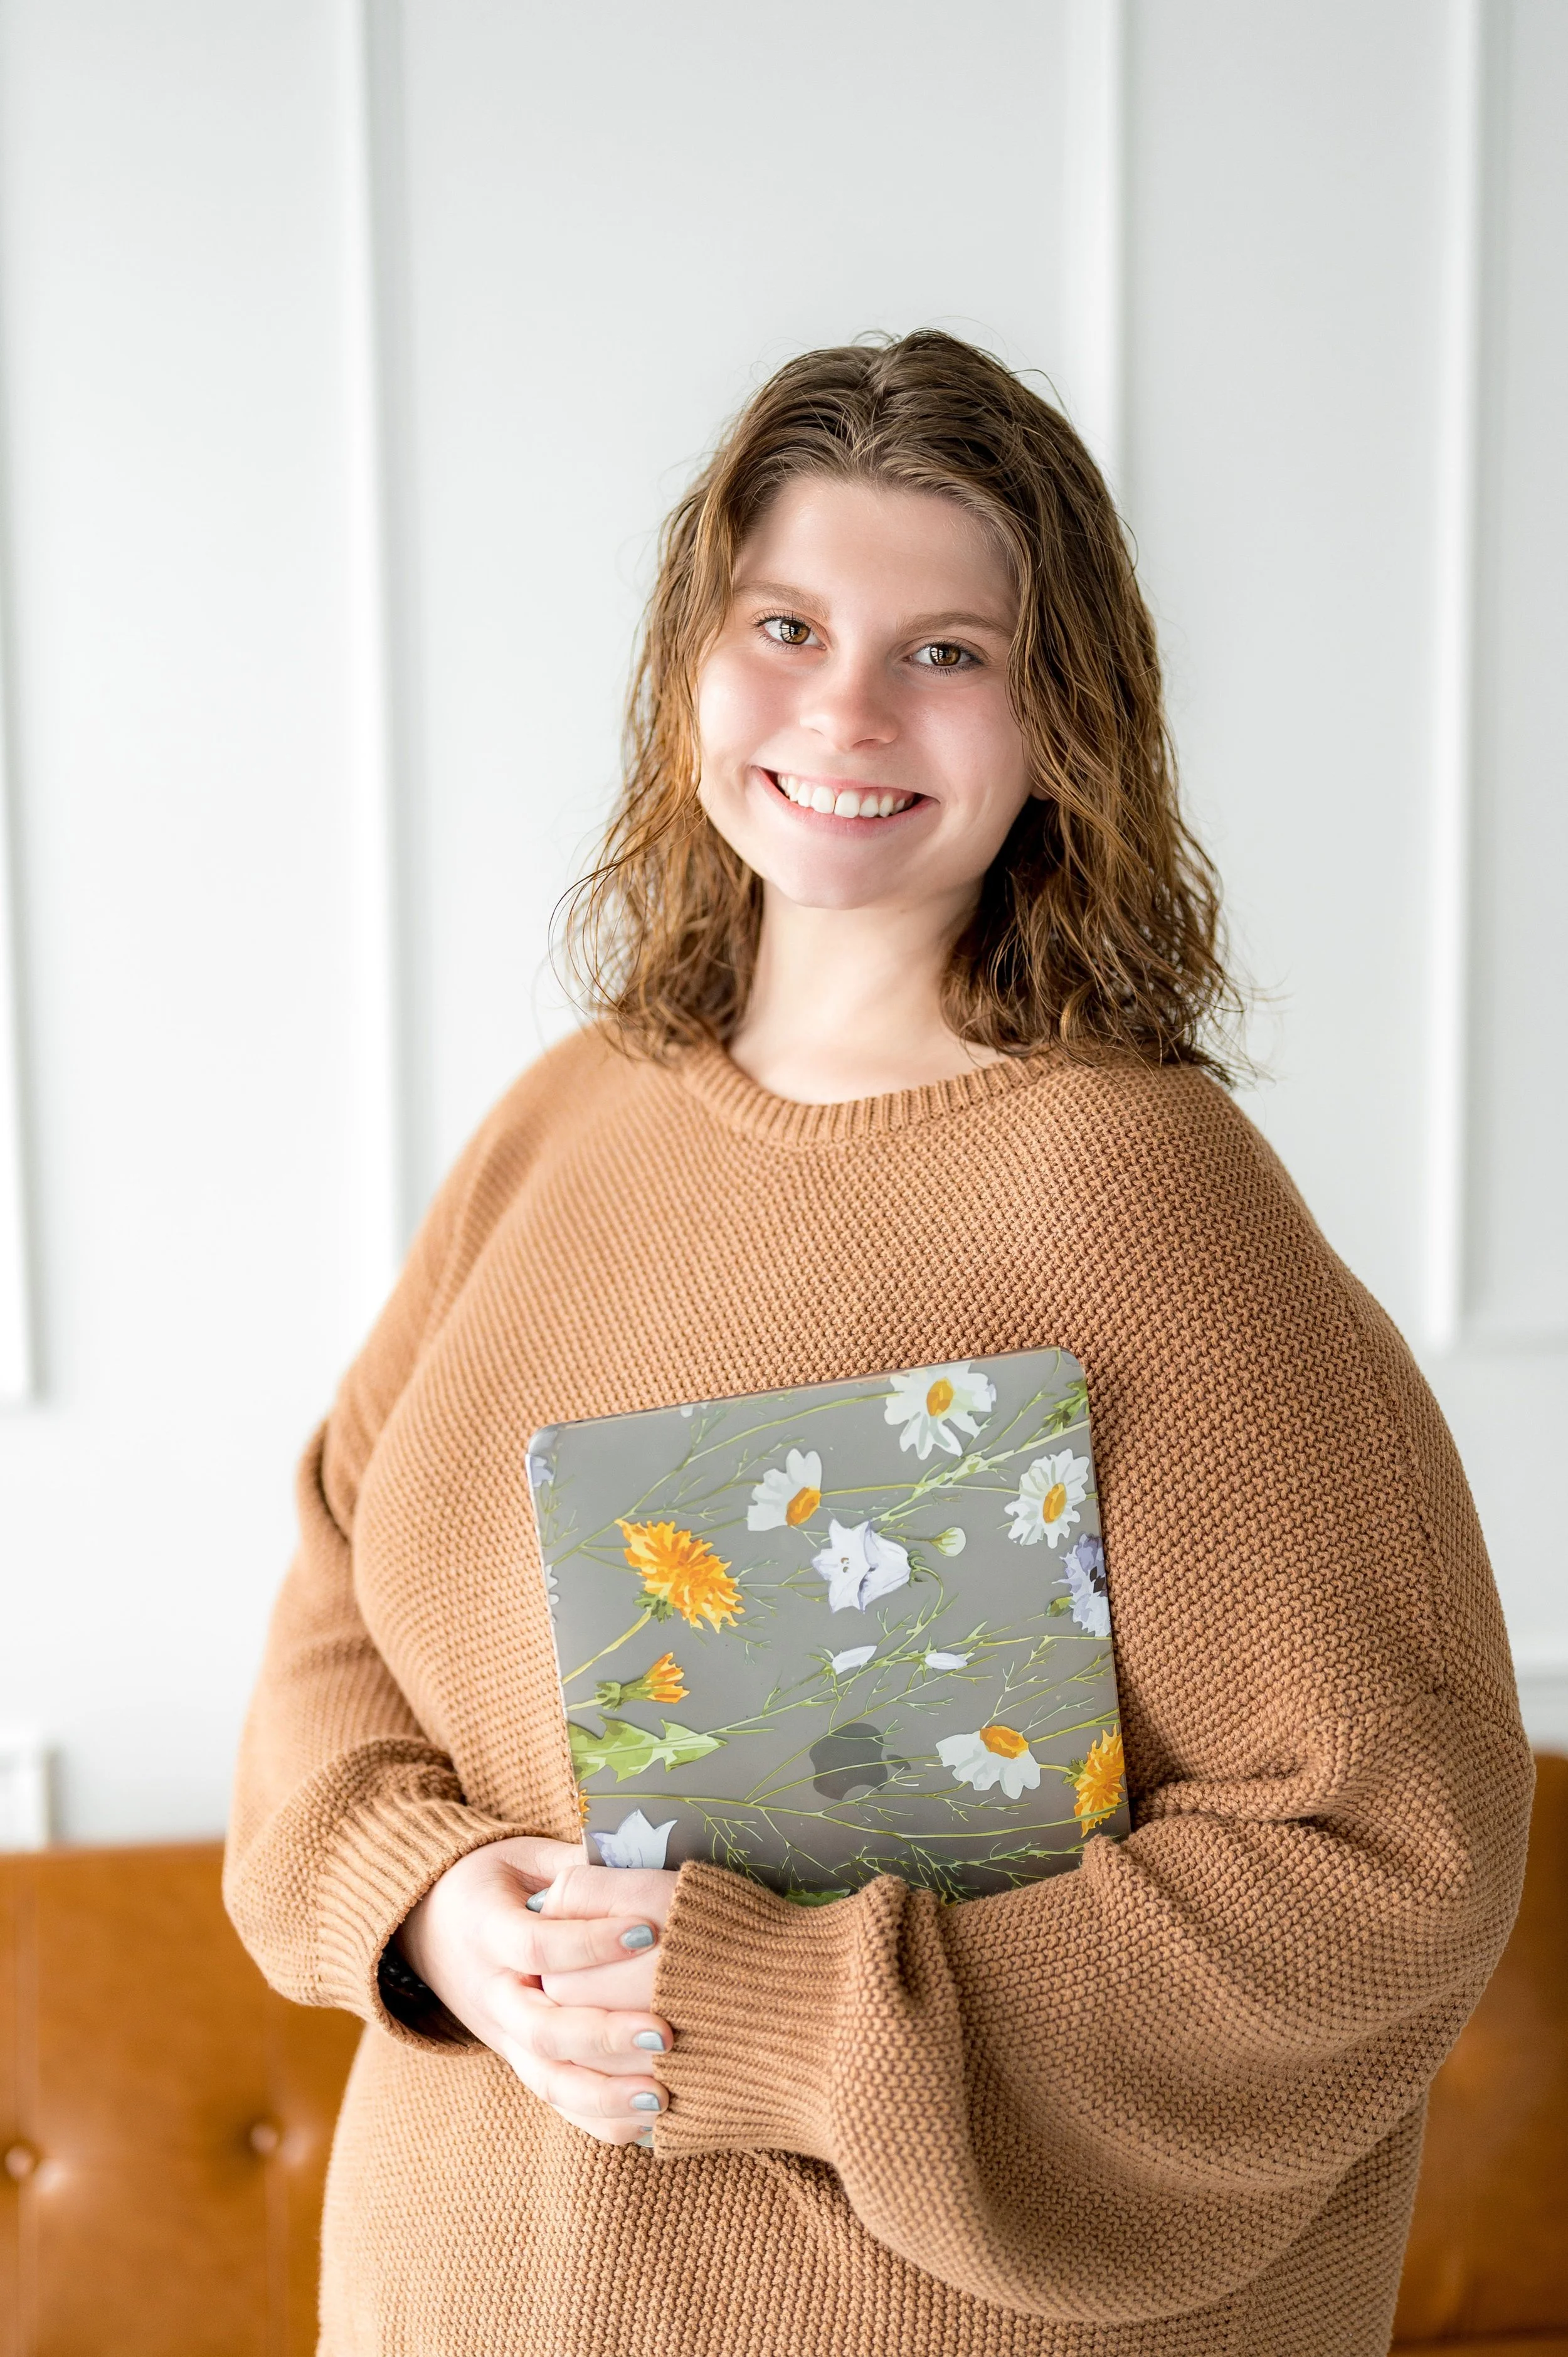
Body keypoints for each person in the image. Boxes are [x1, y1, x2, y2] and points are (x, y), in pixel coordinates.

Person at [224, 331, 1532, 2357]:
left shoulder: (1140, 1196)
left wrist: (769, 2004)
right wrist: (431, 1897)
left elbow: (1382, 1852)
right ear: (693, 657)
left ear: (1057, 719)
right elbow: (339, 1589)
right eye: (787, 621)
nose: (845, 707)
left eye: (948, 650)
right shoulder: (566, 1120)